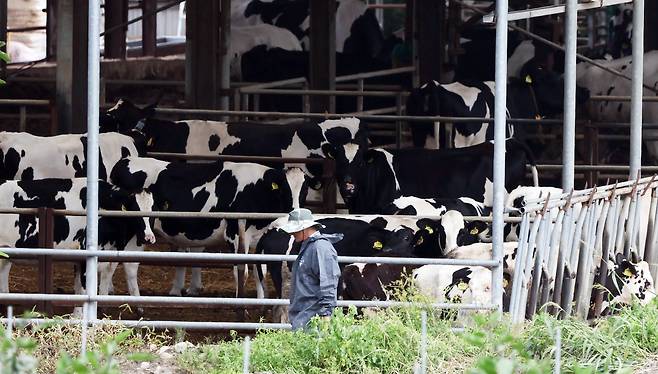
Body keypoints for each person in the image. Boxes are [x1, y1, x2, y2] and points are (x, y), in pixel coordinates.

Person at [280, 208, 342, 331]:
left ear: (305, 228)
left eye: (295, 230)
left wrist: (326, 314)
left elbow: (328, 281)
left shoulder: (320, 248)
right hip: (305, 314)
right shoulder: (310, 247)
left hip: (313, 316)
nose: (292, 234)